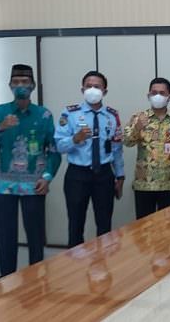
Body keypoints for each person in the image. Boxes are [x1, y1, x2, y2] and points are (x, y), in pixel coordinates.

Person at [0, 64, 61, 277]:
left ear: (33, 85)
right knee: (6, 235)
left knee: (35, 235)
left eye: (25, 82)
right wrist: (0, 128)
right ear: (9, 85)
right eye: (16, 82)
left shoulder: (44, 115)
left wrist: (47, 177)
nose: (20, 86)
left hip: (34, 184)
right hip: (2, 185)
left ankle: (36, 279)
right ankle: (6, 279)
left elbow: (53, 150)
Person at [54, 70, 125, 247]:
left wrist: (120, 176)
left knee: (104, 223)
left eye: (97, 86)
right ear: (82, 89)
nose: (92, 89)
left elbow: (116, 148)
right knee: (76, 223)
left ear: (105, 91)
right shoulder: (70, 114)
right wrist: (74, 139)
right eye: (88, 86)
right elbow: (59, 146)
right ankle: (76, 267)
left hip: (104, 175)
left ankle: (102, 267)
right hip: (77, 175)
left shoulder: (112, 115)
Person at [123, 77, 170, 219]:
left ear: (169, 96)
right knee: (143, 227)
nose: (157, 96)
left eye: (162, 93)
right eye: (154, 93)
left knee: (169, 227)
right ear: (148, 95)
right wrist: (137, 128)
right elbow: (127, 142)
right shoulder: (138, 117)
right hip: (144, 182)